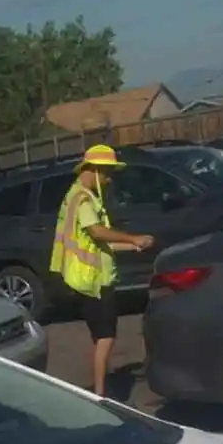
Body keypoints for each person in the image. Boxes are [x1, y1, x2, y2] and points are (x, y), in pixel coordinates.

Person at [49, 144, 154, 400]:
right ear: (94, 170)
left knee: (101, 338)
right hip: (92, 281)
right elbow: (96, 232)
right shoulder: (83, 198)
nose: (109, 180)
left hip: (88, 279)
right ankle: (101, 393)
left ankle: (101, 387)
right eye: (107, 173)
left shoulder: (76, 195)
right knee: (106, 337)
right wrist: (132, 238)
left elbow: (95, 241)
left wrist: (131, 245)